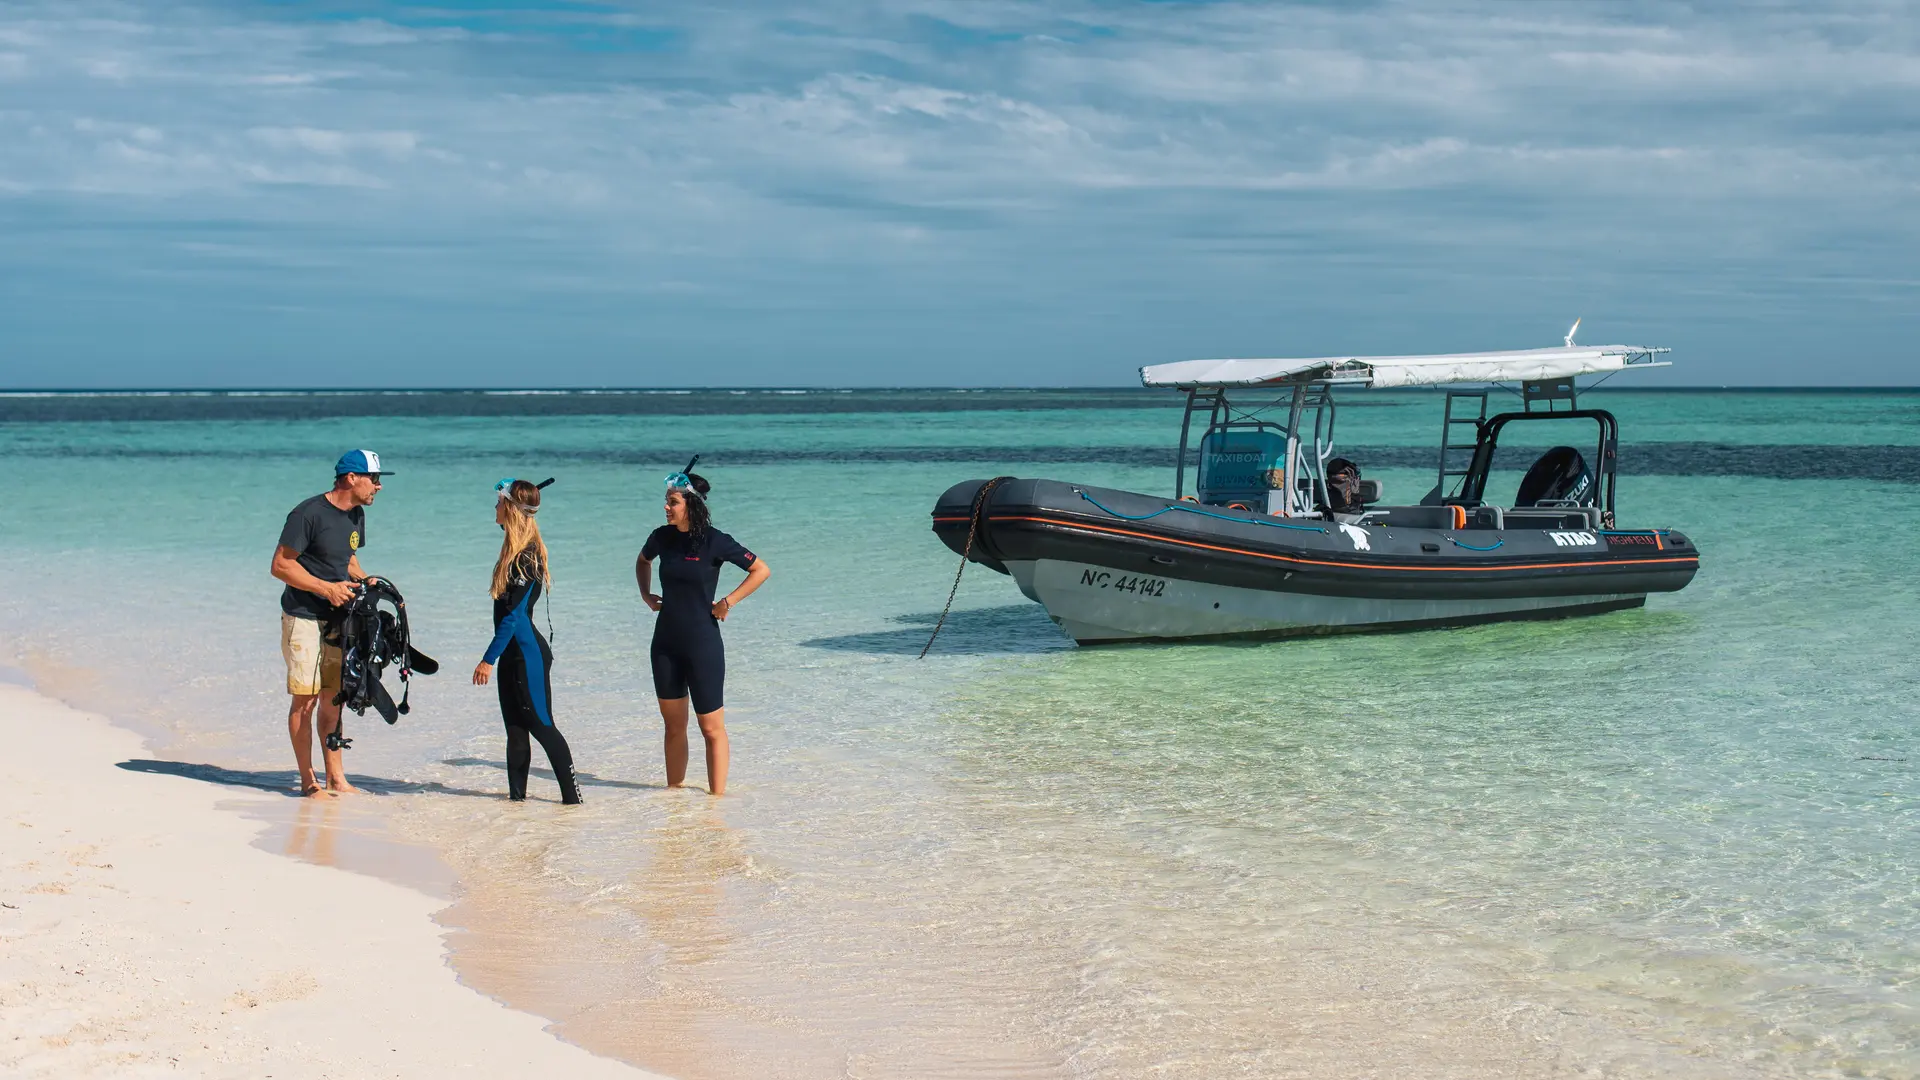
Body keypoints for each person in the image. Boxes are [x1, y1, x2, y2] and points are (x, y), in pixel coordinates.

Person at [636, 469, 770, 796]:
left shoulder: (715, 541)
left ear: (691, 504)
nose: (666, 508)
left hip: (702, 645)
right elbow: (643, 561)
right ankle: (674, 799)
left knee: (711, 729)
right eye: (666, 502)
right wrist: (645, 593)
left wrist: (728, 602)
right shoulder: (661, 537)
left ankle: (716, 805)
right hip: (665, 644)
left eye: (673, 502)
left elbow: (760, 569)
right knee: (673, 727)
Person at [269, 449, 390, 797]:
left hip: (342, 620)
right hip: (304, 618)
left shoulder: (356, 515)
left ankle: (336, 777)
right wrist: (325, 588)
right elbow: (280, 566)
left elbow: (347, 557)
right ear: (351, 478)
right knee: (304, 701)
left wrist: (368, 580)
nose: (379, 487)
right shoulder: (307, 514)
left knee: (333, 698)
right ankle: (309, 781)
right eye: (375, 479)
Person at [471, 479, 580, 804]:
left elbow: (515, 616)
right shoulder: (513, 552)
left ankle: (573, 804)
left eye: (498, 502)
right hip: (512, 654)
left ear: (510, 508)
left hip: (527, 655)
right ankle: (516, 804)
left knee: (543, 727)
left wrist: (488, 659)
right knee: (516, 731)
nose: (494, 508)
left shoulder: (528, 558)